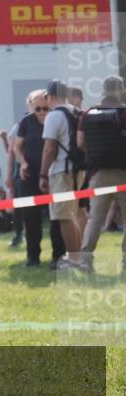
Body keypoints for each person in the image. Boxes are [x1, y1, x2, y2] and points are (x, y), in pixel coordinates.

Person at [76, 75, 126, 273]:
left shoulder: (88, 113)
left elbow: (80, 143)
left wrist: (96, 156)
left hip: (98, 174)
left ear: (103, 91)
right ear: (121, 90)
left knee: (95, 219)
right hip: (124, 173)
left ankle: (85, 262)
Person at [12, 90, 66, 268]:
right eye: (38, 108)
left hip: (54, 173)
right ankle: (32, 257)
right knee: (30, 217)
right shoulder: (26, 122)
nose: (42, 112)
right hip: (29, 175)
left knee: (55, 218)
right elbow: (17, 147)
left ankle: (58, 257)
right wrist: (23, 163)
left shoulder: (56, 120)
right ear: (32, 107)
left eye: (45, 108)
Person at [40, 80, 83, 268]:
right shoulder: (77, 111)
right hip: (78, 169)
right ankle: (79, 256)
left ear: (51, 96)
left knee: (64, 217)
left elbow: (49, 148)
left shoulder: (54, 116)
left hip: (61, 171)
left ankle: (74, 259)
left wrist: (42, 174)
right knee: (72, 215)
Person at [1, 97, 31, 249]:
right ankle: (19, 234)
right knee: (19, 207)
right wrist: (9, 176)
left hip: (37, 171)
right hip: (20, 173)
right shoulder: (20, 124)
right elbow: (11, 152)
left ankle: (28, 234)